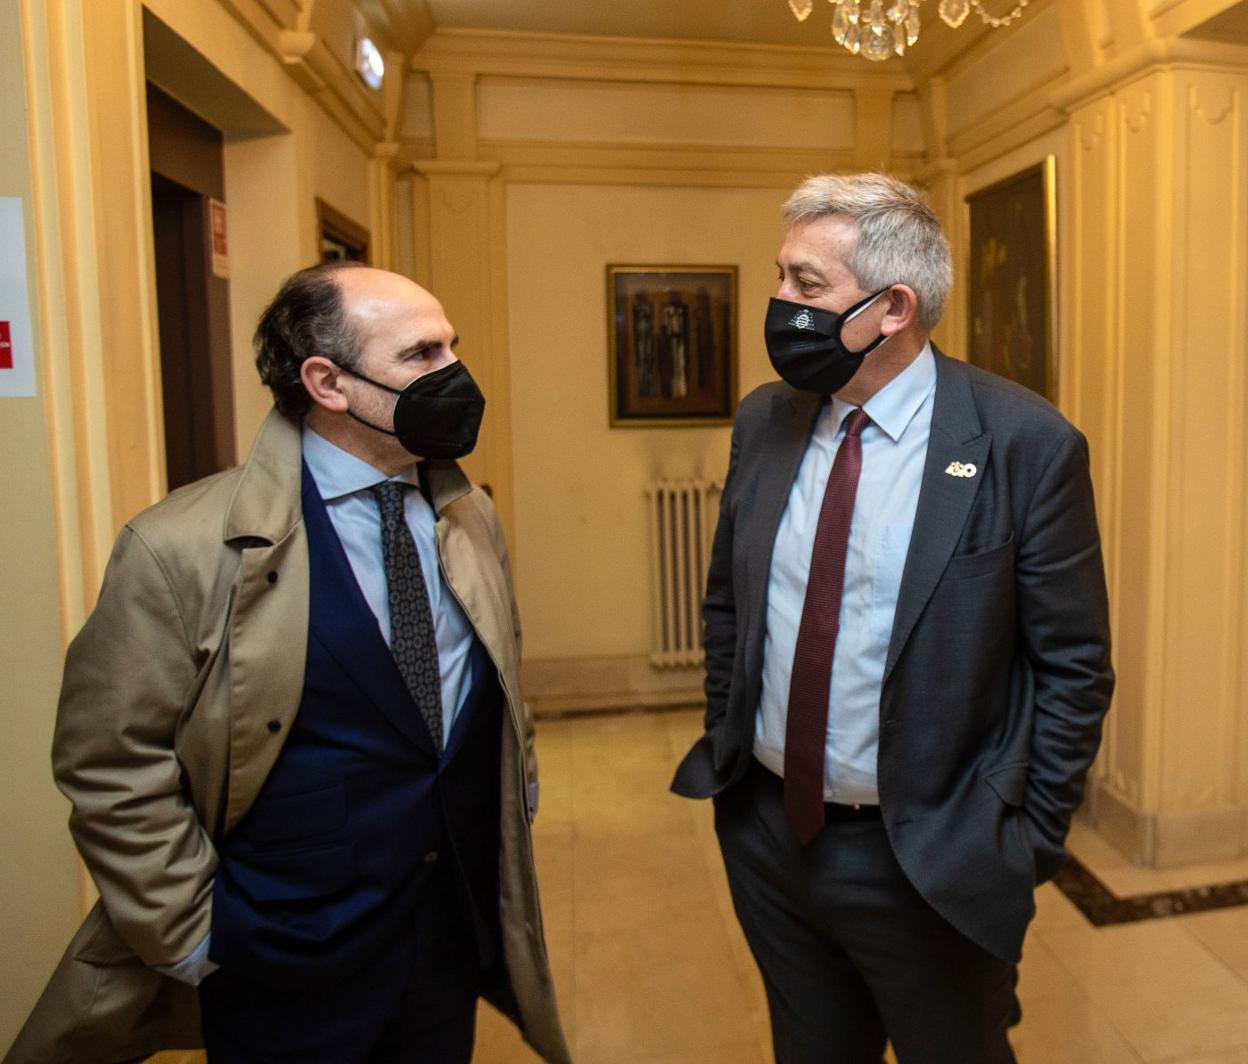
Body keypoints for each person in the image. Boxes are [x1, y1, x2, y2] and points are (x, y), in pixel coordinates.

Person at [8, 263, 570, 1064]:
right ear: (327, 383)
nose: (456, 374)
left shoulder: (467, 514)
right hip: (279, 960)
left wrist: (518, 795)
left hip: (444, 936)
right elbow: (108, 763)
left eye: (454, 347)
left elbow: (497, 683)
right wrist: (195, 936)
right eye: (420, 355)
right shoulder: (178, 549)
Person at [671, 173, 1113, 1064]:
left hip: (928, 855)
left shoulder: (1024, 444)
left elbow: (1074, 664)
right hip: (770, 837)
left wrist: (1022, 840)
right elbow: (731, 603)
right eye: (780, 277)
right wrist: (731, 737)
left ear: (893, 307)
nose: (779, 303)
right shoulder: (767, 420)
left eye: (806, 284)